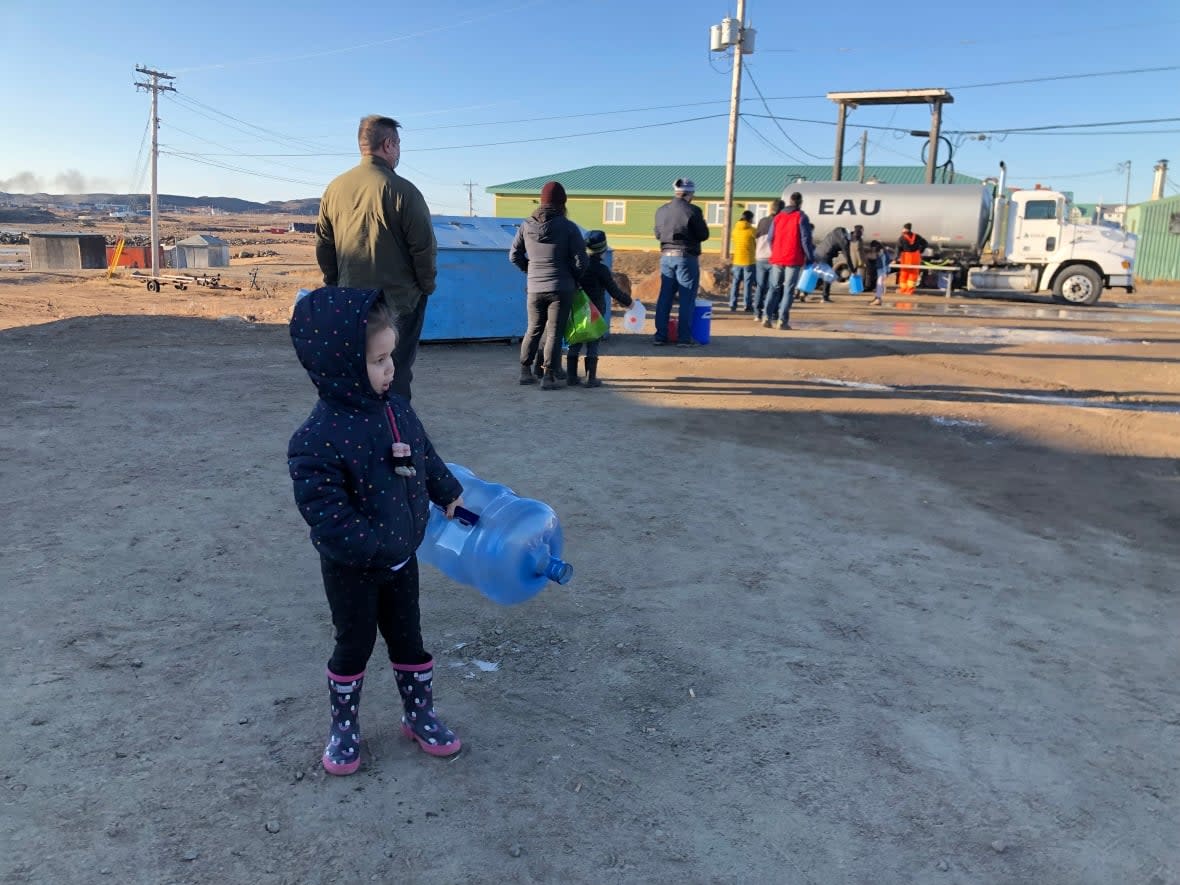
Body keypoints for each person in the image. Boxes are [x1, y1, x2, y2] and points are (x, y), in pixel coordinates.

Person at [288, 287, 466, 776]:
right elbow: (327, 514)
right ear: (340, 365)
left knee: (410, 641)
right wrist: (376, 548)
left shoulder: (397, 409)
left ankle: (419, 714)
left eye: (391, 356)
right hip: (354, 571)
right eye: (379, 359)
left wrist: (447, 491)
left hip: (401, 561)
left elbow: (423, 453)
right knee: (354, 645)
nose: (391, 368)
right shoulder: (315, 439)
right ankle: (344, 728)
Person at [315, 115, 436, 401]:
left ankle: (358, 429)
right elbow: (424, 248)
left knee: (356, 367)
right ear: (388, 144)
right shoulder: (403, 191)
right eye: (398, 145)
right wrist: (425, 287)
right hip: (398, 302)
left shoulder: (334, 189)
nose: (398, 152)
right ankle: (396, 433)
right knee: (395, 369)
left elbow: (324, 244)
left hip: (350, 301)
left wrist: (335, 285)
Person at [509, 181, 587, 390]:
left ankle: (525, 372)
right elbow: (582, 261)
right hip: (561, 288)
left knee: (533, 329)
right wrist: (571, 277)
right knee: (554, 332)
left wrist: (530, 271)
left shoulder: (526, 225)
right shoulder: (569, 227)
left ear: (541, 201)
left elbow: (513, 255)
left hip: (534, 288)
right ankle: (549, 377)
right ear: (563, 203)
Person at [567, 230, 633, 387]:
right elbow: (614, 290)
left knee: (574, 342)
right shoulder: (601, 269)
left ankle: (571, 377)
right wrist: (629, 302)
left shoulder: (576, 265)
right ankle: (591, 378)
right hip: (595, 311)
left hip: (576, 309)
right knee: (593, 343)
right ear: (603, 250)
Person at [652, 177, 710, 346]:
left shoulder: (661, 211)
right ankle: (684, 338)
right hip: (686, 256)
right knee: (686, 298)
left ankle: (660, 336)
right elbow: (703, 235)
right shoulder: (693, 211)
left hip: (666, 257)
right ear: (690, 193)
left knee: (665, 297)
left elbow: (657, 234)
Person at [763, 192, 814, 331]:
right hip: (793, 258)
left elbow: (770, 238)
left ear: (790, 201)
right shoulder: (801, 217)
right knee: (788, 290)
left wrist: (776, 250)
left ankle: (766, 317)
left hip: (777, 258)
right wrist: (809, 257)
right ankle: (782, 321)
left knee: (773, 288)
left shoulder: (778, 217)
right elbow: (805, 239)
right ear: (800, 202)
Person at [752, 199, 784, 323]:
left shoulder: (762, 221)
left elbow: (756, 238)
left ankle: (757, 313)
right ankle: (771, 312)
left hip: (760, 257)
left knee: (760, 286)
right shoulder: (779, 221)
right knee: (774, 287)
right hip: (773, 258)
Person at [803, 225, 854, 303]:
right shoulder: (844, 241)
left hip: (817, 253)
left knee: (817, 275)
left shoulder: (837, 230)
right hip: (825, 256)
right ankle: (825, 297)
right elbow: (847, 257)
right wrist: (852, 270)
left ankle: (804, 293)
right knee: (828, 276)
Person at [728, 210, 757, 312]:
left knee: (735, 283)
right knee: (747, 284)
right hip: (749, 260)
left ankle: (732, 304)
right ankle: (747, 305)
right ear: (750, 219)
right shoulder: (752, 230)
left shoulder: (735, 230)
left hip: (737, 261)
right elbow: (756, 242)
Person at [896, 222, 928, 295]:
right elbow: (925, 243)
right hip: (915, 256)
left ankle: (903, 290)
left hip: (906, 256)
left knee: (904, 273)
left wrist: (896, 258)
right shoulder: (917, 236)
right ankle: (910, 290)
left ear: (905, 229)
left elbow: (898, 248)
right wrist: (920, 250)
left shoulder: (902, 238)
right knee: (913, 273)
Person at [868, 240, 891, 306]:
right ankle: (877, 298)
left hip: (882, 270)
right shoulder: (882, 251)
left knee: (879, 284)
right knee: (879, 284)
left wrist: (885, 272)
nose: (872, 249)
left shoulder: (881, 252)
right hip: (881, 270)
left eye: (872, 247)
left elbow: (884, 262)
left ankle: (878, 299)